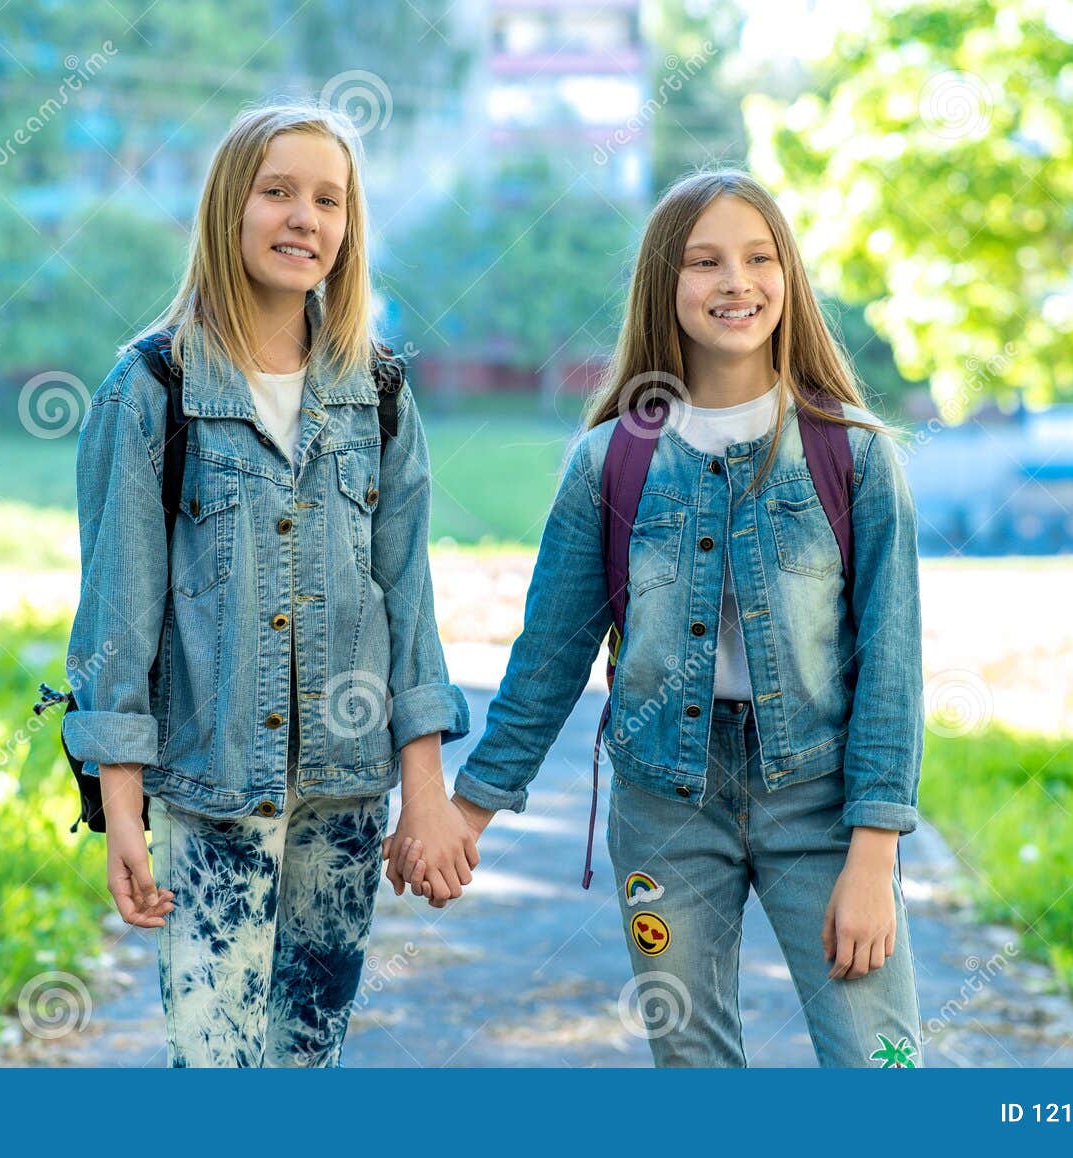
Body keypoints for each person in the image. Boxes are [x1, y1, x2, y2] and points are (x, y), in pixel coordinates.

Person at [397, 169, 926, 1068]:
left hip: (822, 802)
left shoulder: (856, 457)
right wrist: (466, 813)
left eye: (760, 258)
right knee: (694, 1067)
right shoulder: (611, 461)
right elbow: (551, 657)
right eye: (705, 262)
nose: (736, 282)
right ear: (663, 286)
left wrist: (873, 857)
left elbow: (893, 666)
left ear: (789, 277)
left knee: (881, 1063)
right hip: (664, 807)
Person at [63, 101, 475, 1067]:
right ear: (228, 211)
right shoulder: (152, 386)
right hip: (209, 795)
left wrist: (426, 792)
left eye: (327, 200)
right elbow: (118, 619)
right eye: (278, 192)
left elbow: (406, 600)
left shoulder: (377, 391)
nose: (305, 218)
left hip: (346, 796)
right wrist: (121, 808)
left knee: (307, 1069)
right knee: (217, 1071)